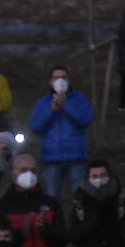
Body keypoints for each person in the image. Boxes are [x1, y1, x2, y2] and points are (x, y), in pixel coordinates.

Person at [27, 65, 94, 201]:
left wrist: (66, 106)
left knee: (79, 199)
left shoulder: (79, 99)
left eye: (64, 77)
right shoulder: (42, 102)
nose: (60, 80)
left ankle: (78, 222)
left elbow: (86, 120)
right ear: (50, 81)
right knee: (51, 200)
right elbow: (35, 126)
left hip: (76, 158)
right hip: (50, 159)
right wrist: (51, 111)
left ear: (69, 80)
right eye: (56, 78)